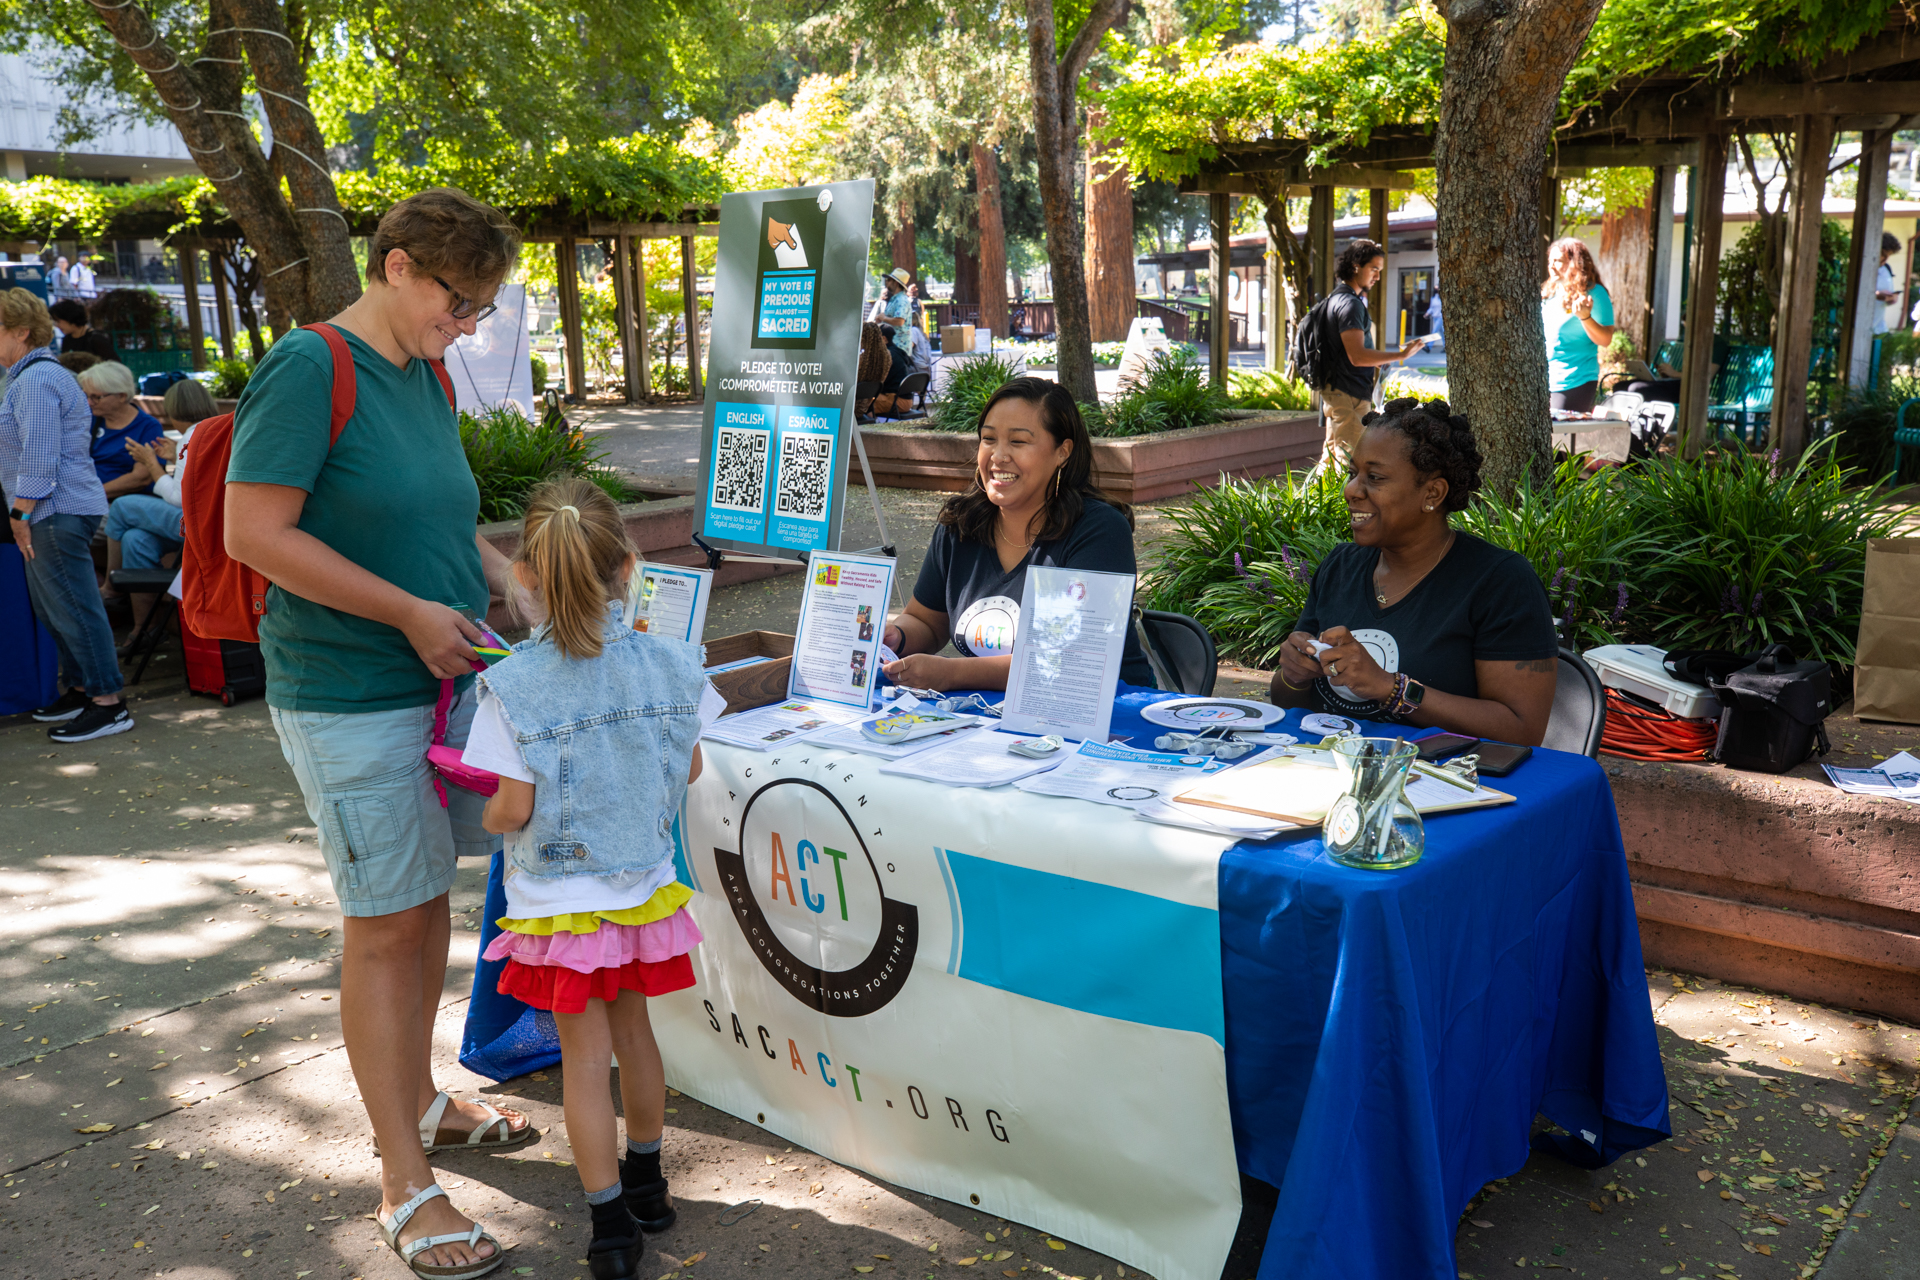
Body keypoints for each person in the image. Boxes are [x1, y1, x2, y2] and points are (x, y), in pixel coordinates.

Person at [225, 187, 531, 1280]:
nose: (470, 321)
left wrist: (516, 583)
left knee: (417, 911)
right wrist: (406, 612)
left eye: (484, 304)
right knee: (386, 923)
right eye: (462, 297)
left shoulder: (425, 373)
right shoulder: (314, 367)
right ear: (398, 266)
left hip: (439, 689)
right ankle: (403, 1178)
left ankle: (420, 1100)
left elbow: (439, 526)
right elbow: (251, 532)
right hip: (351, 691)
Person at [461, 477, 712, 1280]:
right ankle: (649, 1183)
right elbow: (693, 765)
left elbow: (510, 809)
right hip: (642, 889)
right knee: (637, 1035)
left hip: (559, 909)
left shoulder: (511, 688)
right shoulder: (674, 665)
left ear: (524, 579)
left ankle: (609, 1225)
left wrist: (493, 815)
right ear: (629, 567)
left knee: (583, 1058)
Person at [1268, 398, 1558, 746]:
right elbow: (1289, 704)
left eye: (1374, 478)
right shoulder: (1340, 566)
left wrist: (1393, 689)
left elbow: (1521, 730)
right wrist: (1293, 675)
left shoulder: (1499, 582)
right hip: (1330, 769)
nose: (1351, 490)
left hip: (1444, 784)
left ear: (1432, 493)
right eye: (1352, 473)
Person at [882, 376, 1156, 691]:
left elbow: (1066, 659)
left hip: (1105, 713)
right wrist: (896, 637)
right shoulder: (961, 524)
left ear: (1062, 452)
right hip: (984, 717)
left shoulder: (1099, 531)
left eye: (1018, 441)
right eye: (988, 439)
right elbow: (926, 622)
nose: (998, 456)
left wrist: (952, 673)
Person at [0, 287, 133, 742]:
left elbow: (39, 459)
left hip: (53, 509)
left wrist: (19, 512)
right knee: (56, 607)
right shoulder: (34, 377)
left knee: (74, 607)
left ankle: (107, 702)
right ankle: (82, 689)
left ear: (20, 332)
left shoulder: (36, 380)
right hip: (53, 509)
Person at [100, 378, 217, 638]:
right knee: (135, 539)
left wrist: (150, 463)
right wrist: (176, 455)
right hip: (211, 521)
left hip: (198, 524)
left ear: (172, 410)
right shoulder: (212, 428)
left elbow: (178, 498)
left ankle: (111, 587)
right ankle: (145, 628)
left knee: (121, 508)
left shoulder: (190, 436)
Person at [1306, 239, 1430, 477]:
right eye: (1374, 269)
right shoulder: (1350, 305)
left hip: (1338, 391)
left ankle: (1311, 509)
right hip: (1348, 393)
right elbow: (1357, 356)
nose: (1377, 277)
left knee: (1331, 458)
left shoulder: (1336, 298)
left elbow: (1349, 352)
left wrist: (1381, 358)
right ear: (1355, 266)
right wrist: (1401, 354)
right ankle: (1345, 512)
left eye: (1380, 271)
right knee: (1350, 458)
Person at [1541, 238, 1617, 414]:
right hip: (1544, 381)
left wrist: (1585, 318)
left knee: (1558, 436)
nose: (1551, 266)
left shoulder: (1595, 293)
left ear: (1575, 263)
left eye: (1558, 261)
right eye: (1549, 261)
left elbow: (1605, 339)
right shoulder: (1549, 293)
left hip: (1575, 381)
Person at [79, 361, 166, 499]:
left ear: (121, 396)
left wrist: (90, 495)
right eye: (86, 396)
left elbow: (141, 478)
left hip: (121, 502)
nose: (89, 402)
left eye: (96, 397)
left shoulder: (147, 427)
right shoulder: (89, 419)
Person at [871, 267, 914, 393]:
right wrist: (882, 319)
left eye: (889, 280)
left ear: (896, 283)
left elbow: (900, 321)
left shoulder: (901, 300)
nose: (886, 282)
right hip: (892, 347)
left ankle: (891, 403)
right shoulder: (895, 299)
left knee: (892, 383)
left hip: (898, 348)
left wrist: (884, 317)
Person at [49, 299, 117, 363]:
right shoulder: (67, 340)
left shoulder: (96, 339)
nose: (56, 325)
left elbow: (114, 364)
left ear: (69, 318)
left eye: (58, 321)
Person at [1873, 231, 1900, 336]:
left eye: (1889, 256)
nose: (1885, 260)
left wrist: (1892, 298)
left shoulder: (1886, 269)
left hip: (1879, 328)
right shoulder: (1858, 268)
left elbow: (1888, 294)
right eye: (1883, 255)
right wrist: (1875, 295)